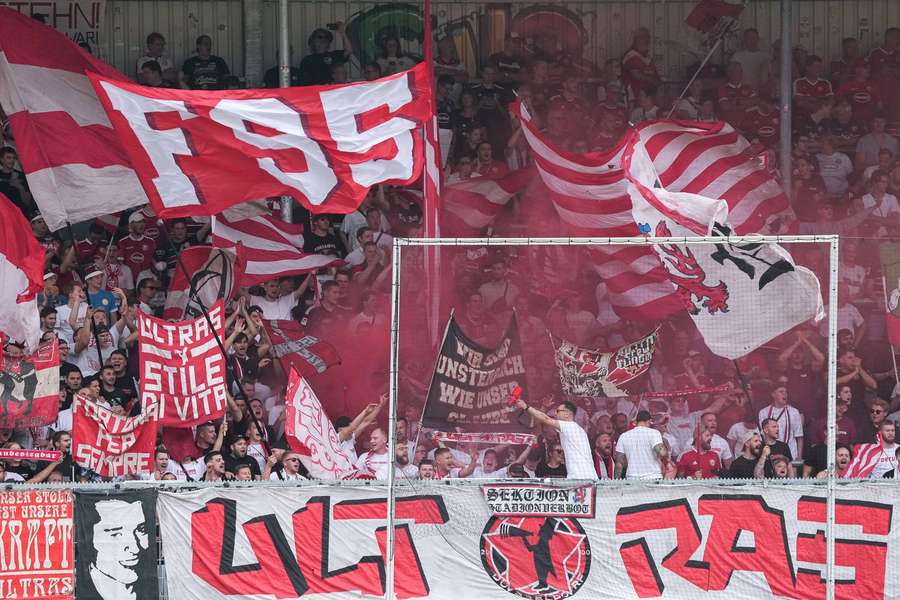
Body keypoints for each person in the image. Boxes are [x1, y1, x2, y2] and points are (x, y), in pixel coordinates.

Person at [77, 497, 154, 600]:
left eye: (141, 530)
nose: (136, 549)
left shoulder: (147, 587)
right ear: (90, 538)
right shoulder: (84, 590)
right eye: (116, 534)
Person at [514, 398, 597, 479]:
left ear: (567, 414)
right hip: (587, 476)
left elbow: (545, 419)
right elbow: (543, 423)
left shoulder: (569, 426)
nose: (555, 413)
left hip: (581, 478)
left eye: (558, 411)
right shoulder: (576, 429)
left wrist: (526, 407)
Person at [614, 410, 667, 480]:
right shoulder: (654, 433)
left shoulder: (624, 436)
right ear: (649, 421)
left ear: (636, 422)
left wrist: (615, 482)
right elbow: (662, 453)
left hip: (632, 478)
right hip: (653, 477)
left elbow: (619, 464)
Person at [758, 384, 804, 461]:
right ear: (773, 394)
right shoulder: (764, 412)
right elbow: (762, 435)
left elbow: (799, 436)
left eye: (786, 392)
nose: (785, 394)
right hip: (770, 454)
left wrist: (799, 457)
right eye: (781, 392)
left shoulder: (794, 412)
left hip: (790, 454)